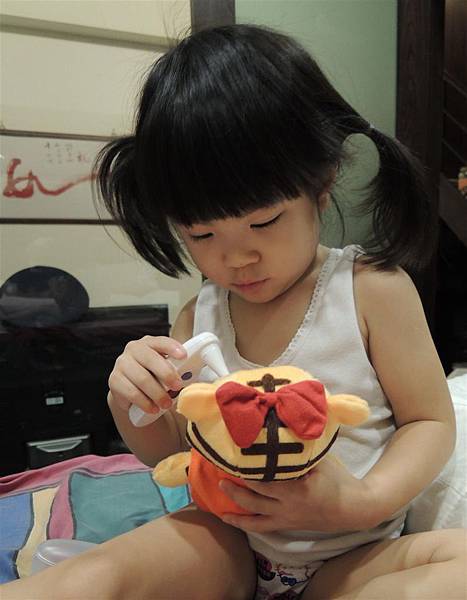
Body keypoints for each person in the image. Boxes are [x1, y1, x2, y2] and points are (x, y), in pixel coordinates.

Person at [2, 23, 465, 600]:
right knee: (93, 576)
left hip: (355, 554)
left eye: (264, 222)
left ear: (321, 186)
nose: (237, 258)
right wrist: (133, 403)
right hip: (230, 546)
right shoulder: (198, 317)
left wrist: (360, 501)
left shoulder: (372, 291)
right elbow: (174, 451)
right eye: (201, 234)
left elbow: (429, 423)